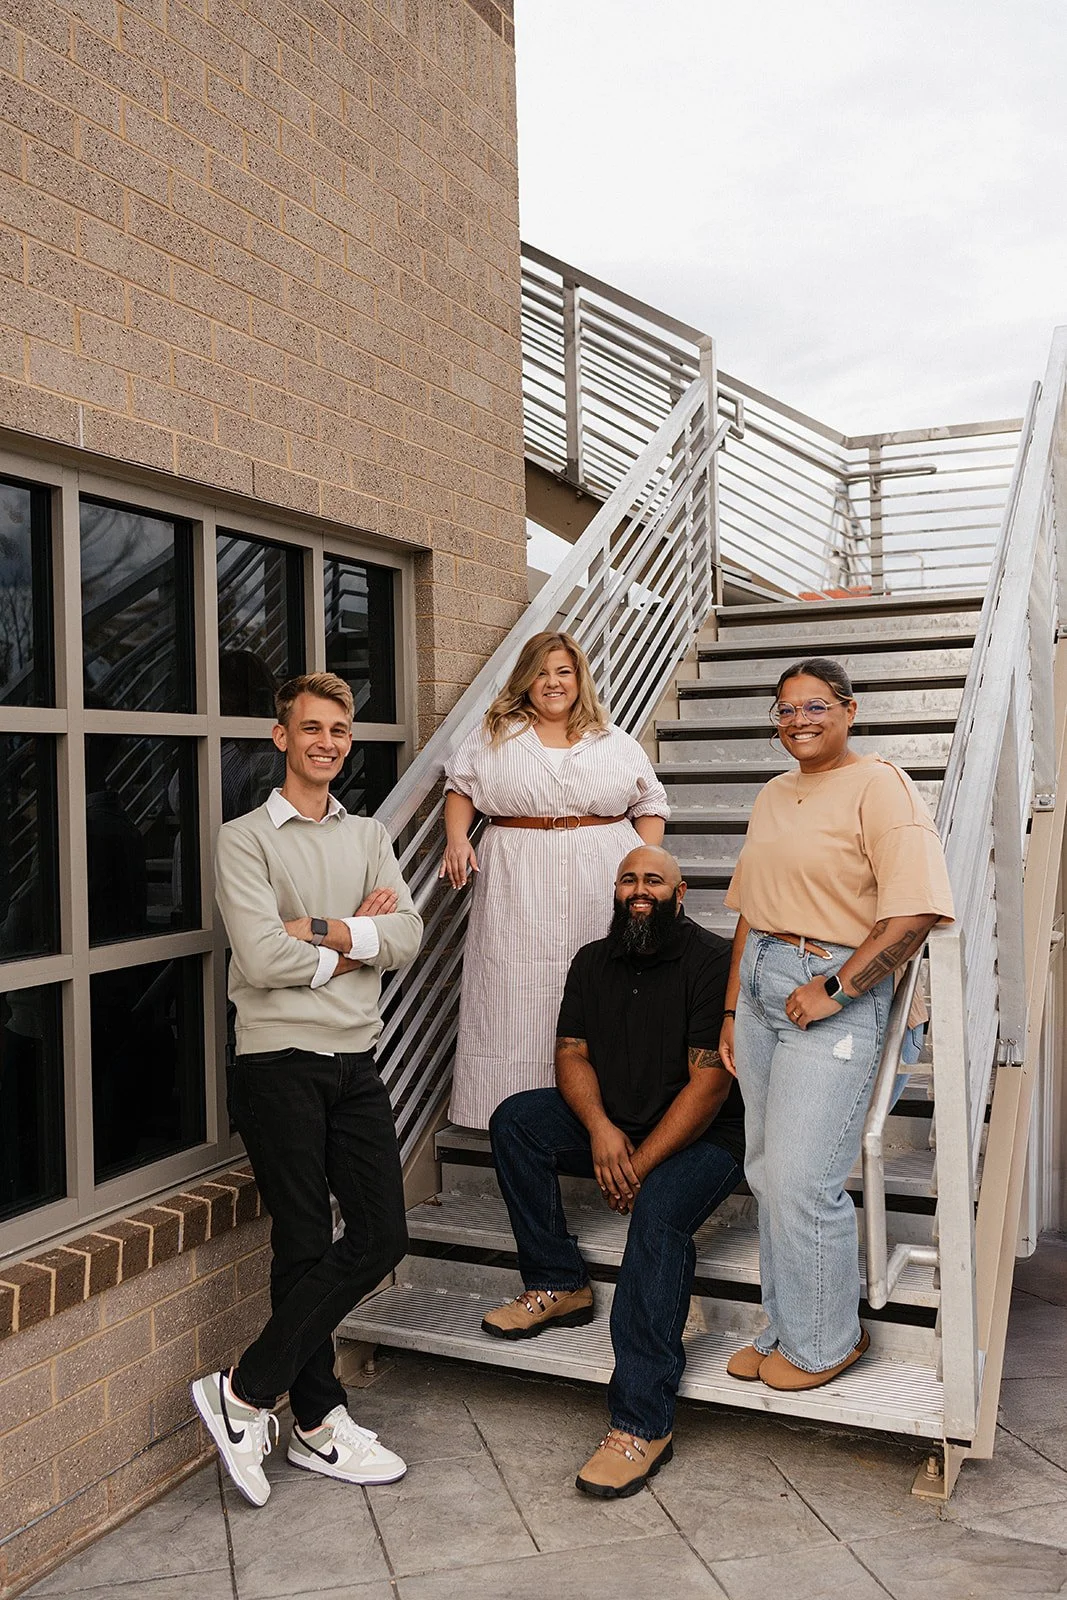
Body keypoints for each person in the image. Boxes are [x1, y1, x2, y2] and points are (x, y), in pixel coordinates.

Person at [191, 671, 423, 1508]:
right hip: (277, 1062)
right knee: (299, 1243)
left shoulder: (367, 834)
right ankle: (320, 1424)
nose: (326, 740)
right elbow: (260, 960)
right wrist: (358, 944)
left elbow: (410, 933)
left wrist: (320, 932)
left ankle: (245, 1393)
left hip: (355, 1061)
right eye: (310, 727)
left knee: (379, 1234)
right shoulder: (244, 838)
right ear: (281, 736)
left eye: (340, 729)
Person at [719, 657, 954, 1392]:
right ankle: (784, 1327)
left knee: (801, 1177)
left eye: (814, 707)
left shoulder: (879, 786)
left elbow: (913, 911)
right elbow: (751, 913)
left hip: (829, 991)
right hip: (761, 987)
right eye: (784, 710)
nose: (798, 721)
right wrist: (730, 1009)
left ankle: (825, 1344)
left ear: (849, 710)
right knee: (765, 1172)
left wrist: (838, 988)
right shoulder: (773, 792)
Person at [484, 846, 745, 1498]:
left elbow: (709, 1086)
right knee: (515, 1121)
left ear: (678, 893)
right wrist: (601, 1131)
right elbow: (569, 1054)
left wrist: (639, 1164)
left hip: (704, 1137)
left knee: (657, 1215)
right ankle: (557, 1281)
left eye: (652, 879)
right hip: (620, 1125)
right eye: (627, 878)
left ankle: (641, 1421)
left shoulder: (711, 961)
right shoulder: (592, 960)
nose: (637, 888)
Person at [440, 631, 669, 1129]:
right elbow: (460, 786)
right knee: (513, 987)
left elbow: (650, 802)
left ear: (579, 678)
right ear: (526, 680)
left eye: (564, 671)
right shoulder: (493, 733)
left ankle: (605, 1104)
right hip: (516, 877)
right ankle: (503, 1110)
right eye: (542, 672)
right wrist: (458, 838)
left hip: (599, 875)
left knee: (597, 981)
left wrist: (644, 865)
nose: (553, 682)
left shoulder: (612, 739)